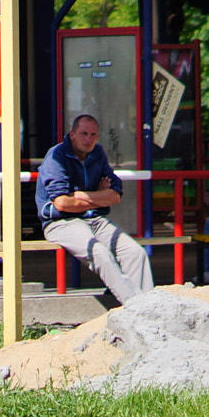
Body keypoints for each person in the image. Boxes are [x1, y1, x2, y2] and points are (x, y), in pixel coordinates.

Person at [36, 113, 154, 308]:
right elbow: (62, 204)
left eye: (93, 135)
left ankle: (148, 308)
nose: (88, 139)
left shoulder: (97, 152)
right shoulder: (56, 156)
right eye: (83, 134)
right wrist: (97, 197)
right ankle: (136, 308)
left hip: (95, 219)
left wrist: (82, 196)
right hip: (62, 222)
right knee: (99, 252)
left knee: (136, 253)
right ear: (72, 134)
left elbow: (115, 195)